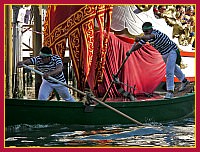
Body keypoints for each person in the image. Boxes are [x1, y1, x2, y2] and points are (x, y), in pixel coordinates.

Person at [128, 22, 190, 99]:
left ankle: (170, 92)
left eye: (146, 31)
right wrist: (130, 51)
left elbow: (149, 37)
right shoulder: (146, 36)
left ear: (151, 29)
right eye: (144, 32)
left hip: (172, 51)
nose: (145, 33)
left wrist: (139, 37)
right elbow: (139, 45)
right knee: (174, 68)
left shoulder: (155, 33)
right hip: (164, 54)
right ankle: (184, 81)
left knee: (169, 71)